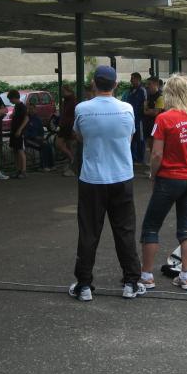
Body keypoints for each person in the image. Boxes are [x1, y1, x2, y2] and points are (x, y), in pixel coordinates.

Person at [69, 65, 145, 302]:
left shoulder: (82, 108)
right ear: (115, 85)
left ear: (94, 83)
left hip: (91, 179)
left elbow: (79, 136)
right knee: (125, 230)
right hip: (122, 176)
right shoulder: (127, 108)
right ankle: (131, 282)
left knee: (89, 232)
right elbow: (129, 137)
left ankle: (84, 285)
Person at [139, 75, 187, 290]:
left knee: (151, 226)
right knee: (186, 228)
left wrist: (153, 174)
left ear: (168, 93)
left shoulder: (163, 119)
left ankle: (147, 275)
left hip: (168, 179)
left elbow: (157, 154)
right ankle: (185, 276)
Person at [23, 103, 55, 171]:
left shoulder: (37, 119)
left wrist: (42, 138)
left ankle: (51, 165)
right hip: (29, 139)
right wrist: (35, 136)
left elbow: (41, 131)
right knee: (43, 146)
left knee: (48, 145)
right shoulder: (26, 119)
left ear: (35, 109)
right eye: (29, 109)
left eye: (32, 109)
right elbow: (25, 132)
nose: (31, 110)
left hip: (38, 139)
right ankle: (43, 166)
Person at [125, 72, 147, 164]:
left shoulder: (142, 90)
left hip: (139, 118)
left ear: (138, 79)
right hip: (131, 117)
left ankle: (140, 158)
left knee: (140, 138)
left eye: (132, 78)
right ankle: (133, 157)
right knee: (132, 138)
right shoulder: (131, 90)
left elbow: (145, 103)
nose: (131, 80)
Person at [7, 90, 29, 178]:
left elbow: (26, 119)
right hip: (14, 131)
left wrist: (20, 130)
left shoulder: (22, 107)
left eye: (10, 99)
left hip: (19, 132)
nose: (10, 101)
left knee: (20, 150)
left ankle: (23, 170)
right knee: (15, 150)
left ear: (14, 98)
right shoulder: (16, 106)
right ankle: (18, 169)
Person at [142, 76, 164, 159]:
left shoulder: (160, 97)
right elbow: (145, 109)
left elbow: (155, 112)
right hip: (148, 124)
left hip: (156, 125)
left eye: (149, 84)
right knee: (150, 144)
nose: (148, 86)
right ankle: (152, 161)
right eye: (147, 84)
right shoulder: (148, 95)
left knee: (156, 144)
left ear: (156, 84)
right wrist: (148, 110)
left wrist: (148, 111)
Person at [56, 85, 77, 177]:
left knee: (59, 144)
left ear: (69, 91)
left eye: (63, 91)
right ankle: (72, 164)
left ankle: (72, 161)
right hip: (66, 125)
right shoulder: (67, 100)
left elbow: (72, 114)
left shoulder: (72, 101)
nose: (62, 93)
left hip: (68, 126)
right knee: (68, 145)